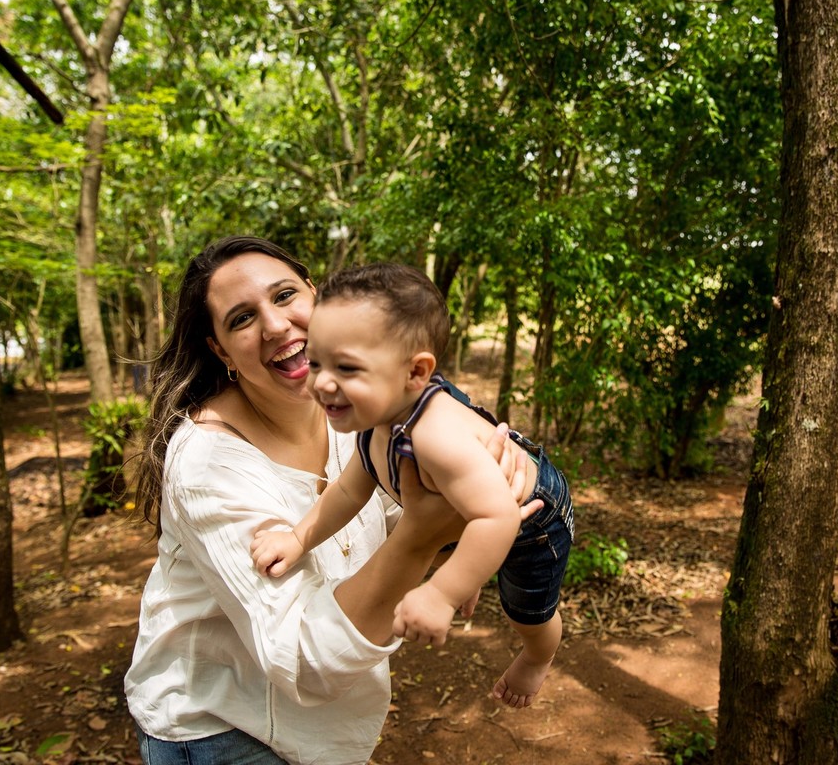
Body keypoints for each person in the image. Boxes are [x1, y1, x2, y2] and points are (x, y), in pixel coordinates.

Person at [123, 237, 534, 765]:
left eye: (285, 295)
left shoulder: (356, 403)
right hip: (222, 728)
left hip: (328, 729)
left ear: (317, 297)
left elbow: (399, 507)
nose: (274, 325)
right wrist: (421, 541)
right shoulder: (208, 462)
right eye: (242, 318)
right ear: (221, 351)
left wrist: (474, 503)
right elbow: (302, 658)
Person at [250, 262, 575, 709]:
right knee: (465, 528)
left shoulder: (434, 437)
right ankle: (473, 559)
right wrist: (298, 537)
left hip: (529, 517)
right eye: (318, 361)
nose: (323, 382)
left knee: (526, 609)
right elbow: (347, 492)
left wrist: (441, 593)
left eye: (346, 367)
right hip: (473, 503)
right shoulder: (375, 419)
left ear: (416, 373)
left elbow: (496, 515)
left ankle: (539, 655)